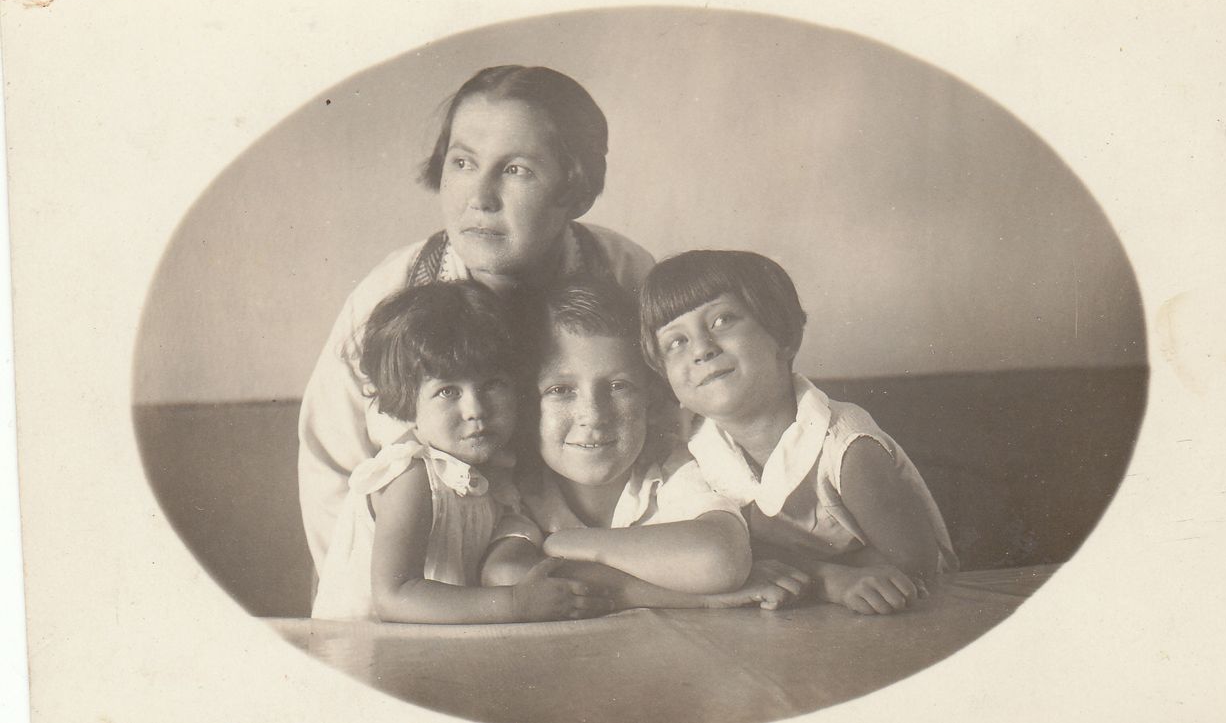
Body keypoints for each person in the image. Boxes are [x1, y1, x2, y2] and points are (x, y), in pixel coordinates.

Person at [299, 65, 654, 569]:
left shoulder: (626, 275)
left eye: (516, 171)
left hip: (608, 568)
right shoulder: (388, 295)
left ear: (575, 190)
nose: (479, 198)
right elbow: (332, 475)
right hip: (428, 586)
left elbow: (684, 434)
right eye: (463, 163)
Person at [638, 250, 958, 616]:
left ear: (783, 337)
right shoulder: (694, 453)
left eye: (722, 320)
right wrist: (828, 578)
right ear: (667, 379)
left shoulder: (846, 447)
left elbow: (915, 571)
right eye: (676, 342)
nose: (701, 349)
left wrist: (820, 579)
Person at [482, 278, 802, 610]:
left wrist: (568, 543)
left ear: (650, 398)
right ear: (525, 404)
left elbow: (722, 558)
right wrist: (696, 596)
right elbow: (507, 574)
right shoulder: (519, 488)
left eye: (618, 386)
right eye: (561, 390)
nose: (593, 416)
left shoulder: (671, 465)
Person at [311, 281, 611, 623]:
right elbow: (394, 596)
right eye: (448, 391)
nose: (475, 410)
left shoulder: (490, 472)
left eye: (492, 385)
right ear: (408, 401)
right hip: (367, 641)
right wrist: (514, 602)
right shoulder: (413, 477)